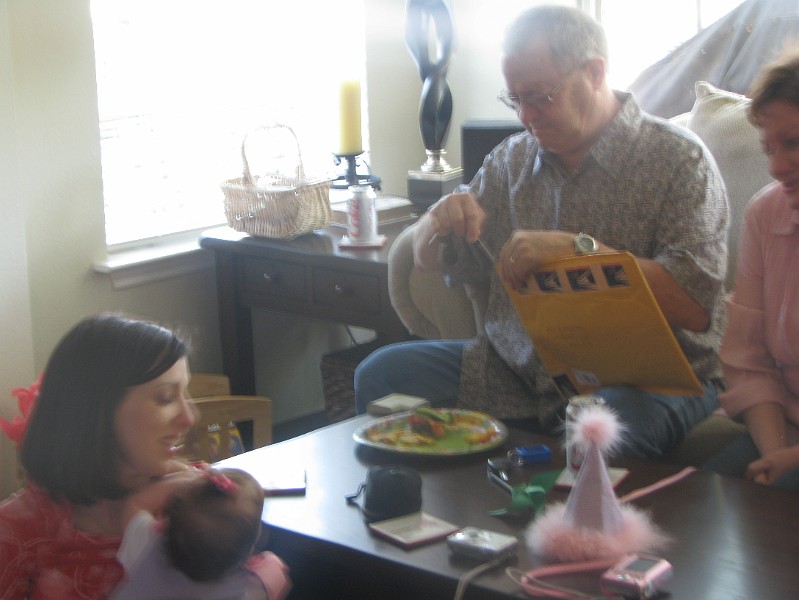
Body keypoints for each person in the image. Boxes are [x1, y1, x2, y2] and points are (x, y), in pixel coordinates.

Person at [355, 5, 729, 459]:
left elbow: (694, 306)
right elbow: (427, 259)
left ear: (595, 72)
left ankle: (571, 526)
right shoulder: (511, 160)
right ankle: (417, 518)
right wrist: (437, 218)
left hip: (648, 380)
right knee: (381, 374)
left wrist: (579, 251)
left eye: (541, 96)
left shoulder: (678, 161)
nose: (526, 116)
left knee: (601, 426)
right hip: (517, 369)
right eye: (514, 99)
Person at [0, 313, 286, 598]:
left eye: (185, 394)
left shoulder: (197, 499)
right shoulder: (21, 530)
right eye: (165, 398)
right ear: (99, 412)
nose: (190, 417)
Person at [704, 48, 799, 490]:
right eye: (769, 148)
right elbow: (749, 362)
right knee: (695, 503)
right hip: (785, 432)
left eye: (793, 143)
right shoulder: (767, 214)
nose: (777, 168)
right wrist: (779, 451)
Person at [112, 467, 291, 600]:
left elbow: (135, 502)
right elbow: (278, 575)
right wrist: (270, 562)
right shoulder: (246, 590)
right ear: (249, 549)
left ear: (167, 522)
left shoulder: (148, 542)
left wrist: (185, 478)